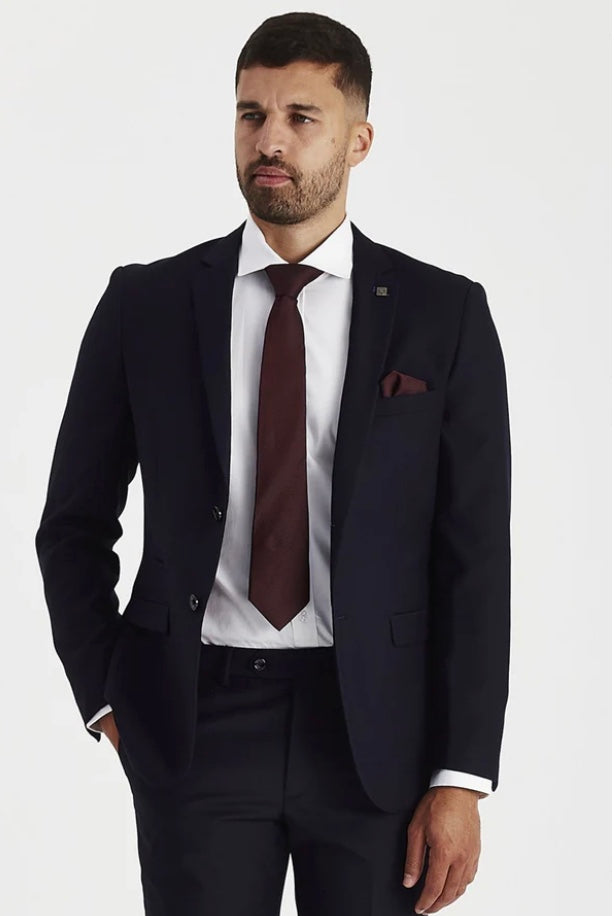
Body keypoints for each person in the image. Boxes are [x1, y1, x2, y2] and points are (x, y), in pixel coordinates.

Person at [35, 11, 511, 916]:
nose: (270, 141)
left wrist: (460, 774)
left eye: (301, 117)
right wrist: (105, 694)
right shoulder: (146, 304)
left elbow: (474, 555)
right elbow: (73, 524)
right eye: (251, 115)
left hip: (376, 731)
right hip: (195, 722)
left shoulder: (440, 313)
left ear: (358, 140)